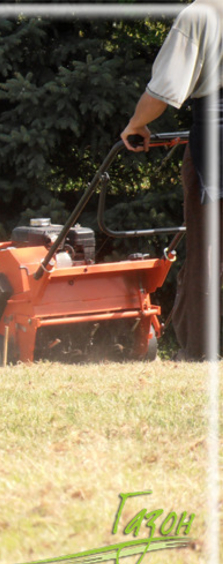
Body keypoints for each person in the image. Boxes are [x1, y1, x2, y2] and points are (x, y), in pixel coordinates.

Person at [120, 0, 222, 360]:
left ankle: (200, 351)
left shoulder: (202, 13)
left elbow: (164, 91)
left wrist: (136, 124)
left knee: (207, 252)